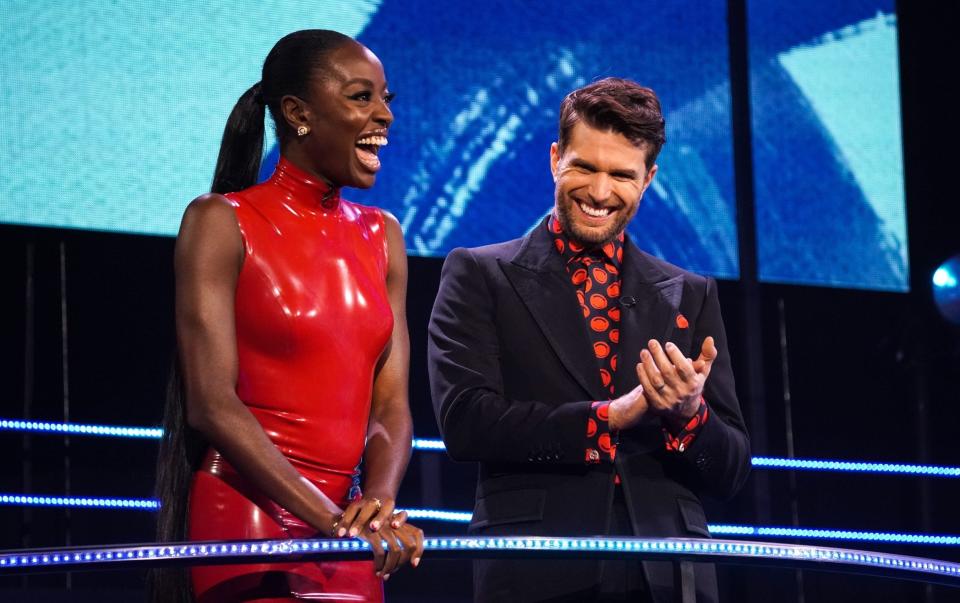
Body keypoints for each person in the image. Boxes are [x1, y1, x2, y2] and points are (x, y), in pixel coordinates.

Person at [427, 77, 750, 602]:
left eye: (622, 174)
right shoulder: (480, 273)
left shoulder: (690, 294)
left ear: (649, 179)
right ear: (556, 158)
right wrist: (611, 417)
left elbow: (732, 468)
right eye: (585, 167)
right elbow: (466, 423)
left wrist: (689, 416)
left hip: (669, 576)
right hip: (535, 567)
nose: (600, 193)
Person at [150, 30, 423, 602]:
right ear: (298, 114)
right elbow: (210, 404)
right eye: (359, 97)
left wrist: (377, 504)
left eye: (385, 99)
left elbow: (391, 403)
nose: (383, 115)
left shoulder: (384, 236)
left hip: (349, 528)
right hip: (250, 515)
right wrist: (328, 520)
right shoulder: (220, 221)